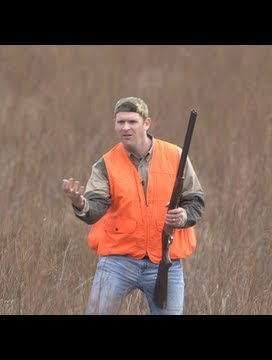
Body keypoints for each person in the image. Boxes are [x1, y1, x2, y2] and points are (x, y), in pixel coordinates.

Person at [62, 96, 204, 315]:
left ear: (146, 123)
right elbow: (95, 209)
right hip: (118, 261)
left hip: (166, 261)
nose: (125, 127)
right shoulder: (106, 164)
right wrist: (80, 202)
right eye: (120, 122)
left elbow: (196, 200)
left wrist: (183, 216)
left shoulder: (175, 155)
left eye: (132, 122)